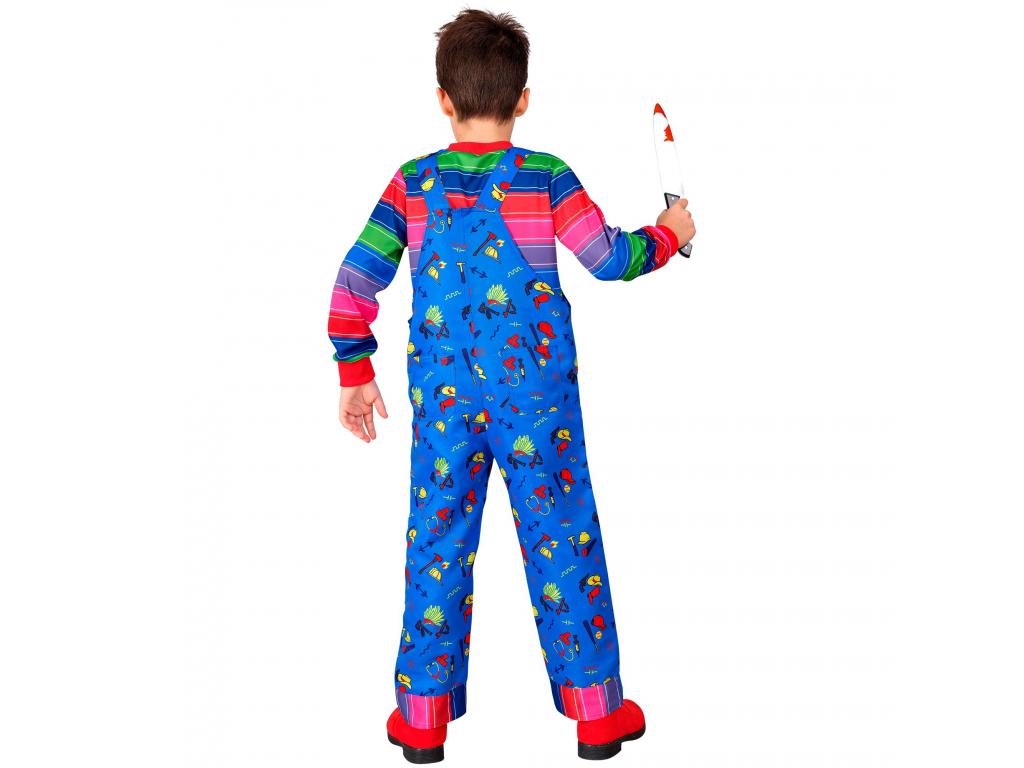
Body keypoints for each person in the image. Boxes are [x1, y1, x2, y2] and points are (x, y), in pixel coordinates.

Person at [327, 9, 695, 763]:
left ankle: (421, 718)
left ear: (443, 99)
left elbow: (355, 279)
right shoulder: (544, 176)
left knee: (436, 543)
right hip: (537, 403)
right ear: (523, 98)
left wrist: (355, 368)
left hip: (444, 403)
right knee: (562, 536)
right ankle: (597, 714)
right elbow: (608, 258)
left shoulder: (412, 184)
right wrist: (671, 235)